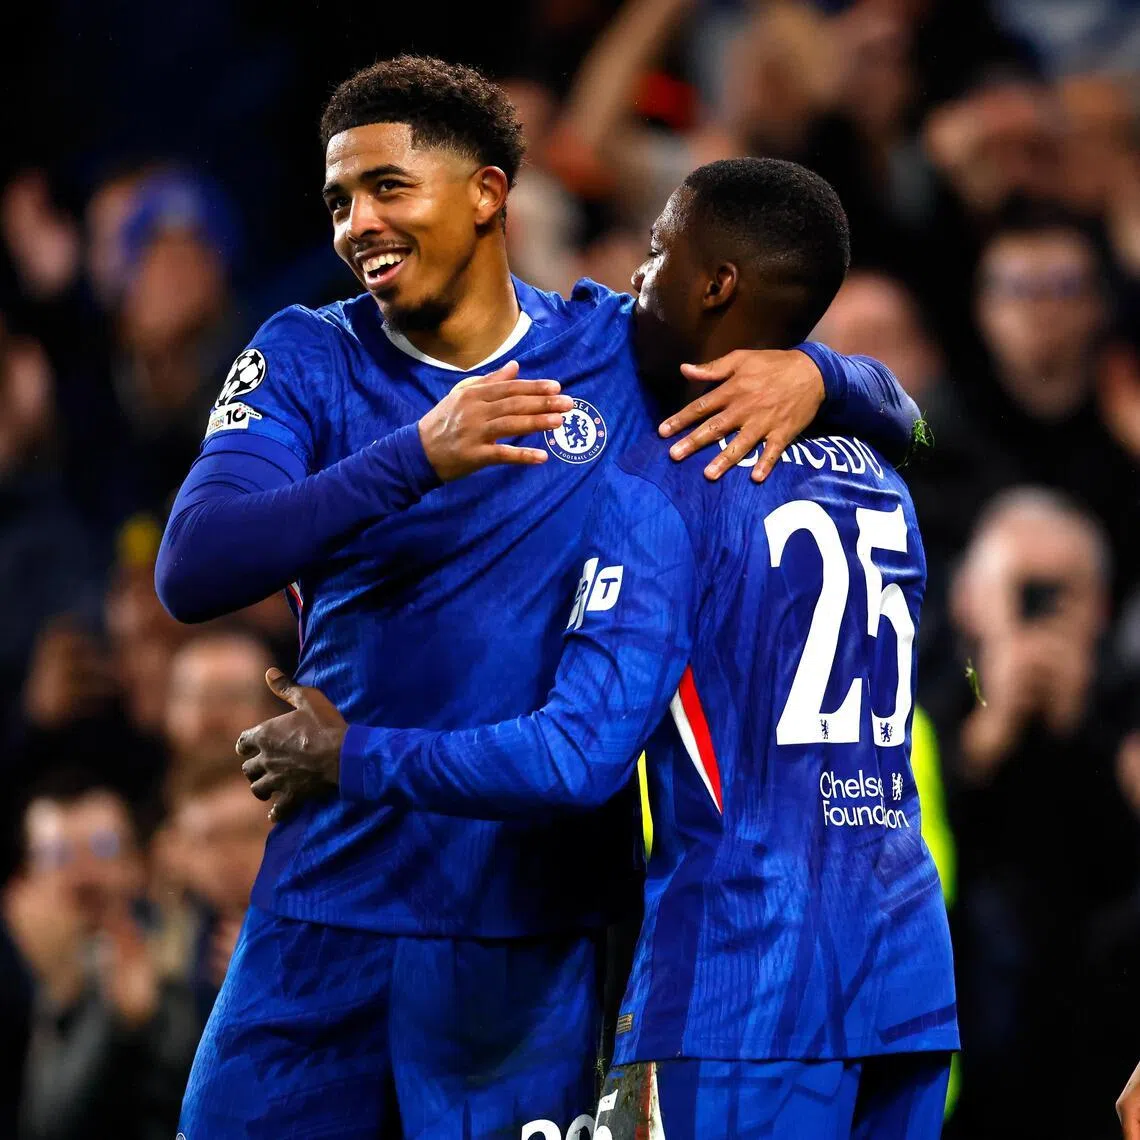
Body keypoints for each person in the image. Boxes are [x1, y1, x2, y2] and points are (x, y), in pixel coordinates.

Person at [156, 57, 920, 1138]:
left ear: (486, 194)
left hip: (533, 934)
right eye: (338, 200)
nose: (357, 223)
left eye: (387, 187)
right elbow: (194, 565)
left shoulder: (611, 346)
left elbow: (899, 408)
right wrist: (418, 454)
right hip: (325, 903)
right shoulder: (305, 356)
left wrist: (826, 379)